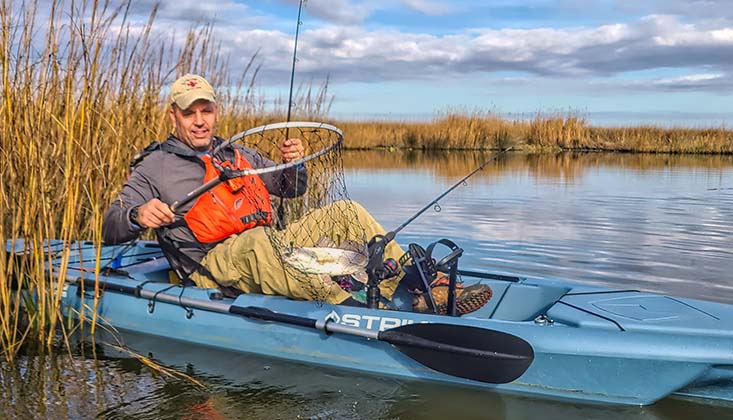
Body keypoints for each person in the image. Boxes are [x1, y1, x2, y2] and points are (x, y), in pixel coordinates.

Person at [103, 73, 491, 313]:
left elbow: (292, 189)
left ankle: (420, 285)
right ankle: (358, 312)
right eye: (190, 113)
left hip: (267, 246)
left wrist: (293, 165)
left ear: (216, 112)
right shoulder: (154, 165)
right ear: (174, 115)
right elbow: (111, 226)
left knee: (347, 212)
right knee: (260, 242)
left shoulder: (237, 153)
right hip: (210, 267)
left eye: (206, 111)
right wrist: (138, 215)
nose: (200, 121)